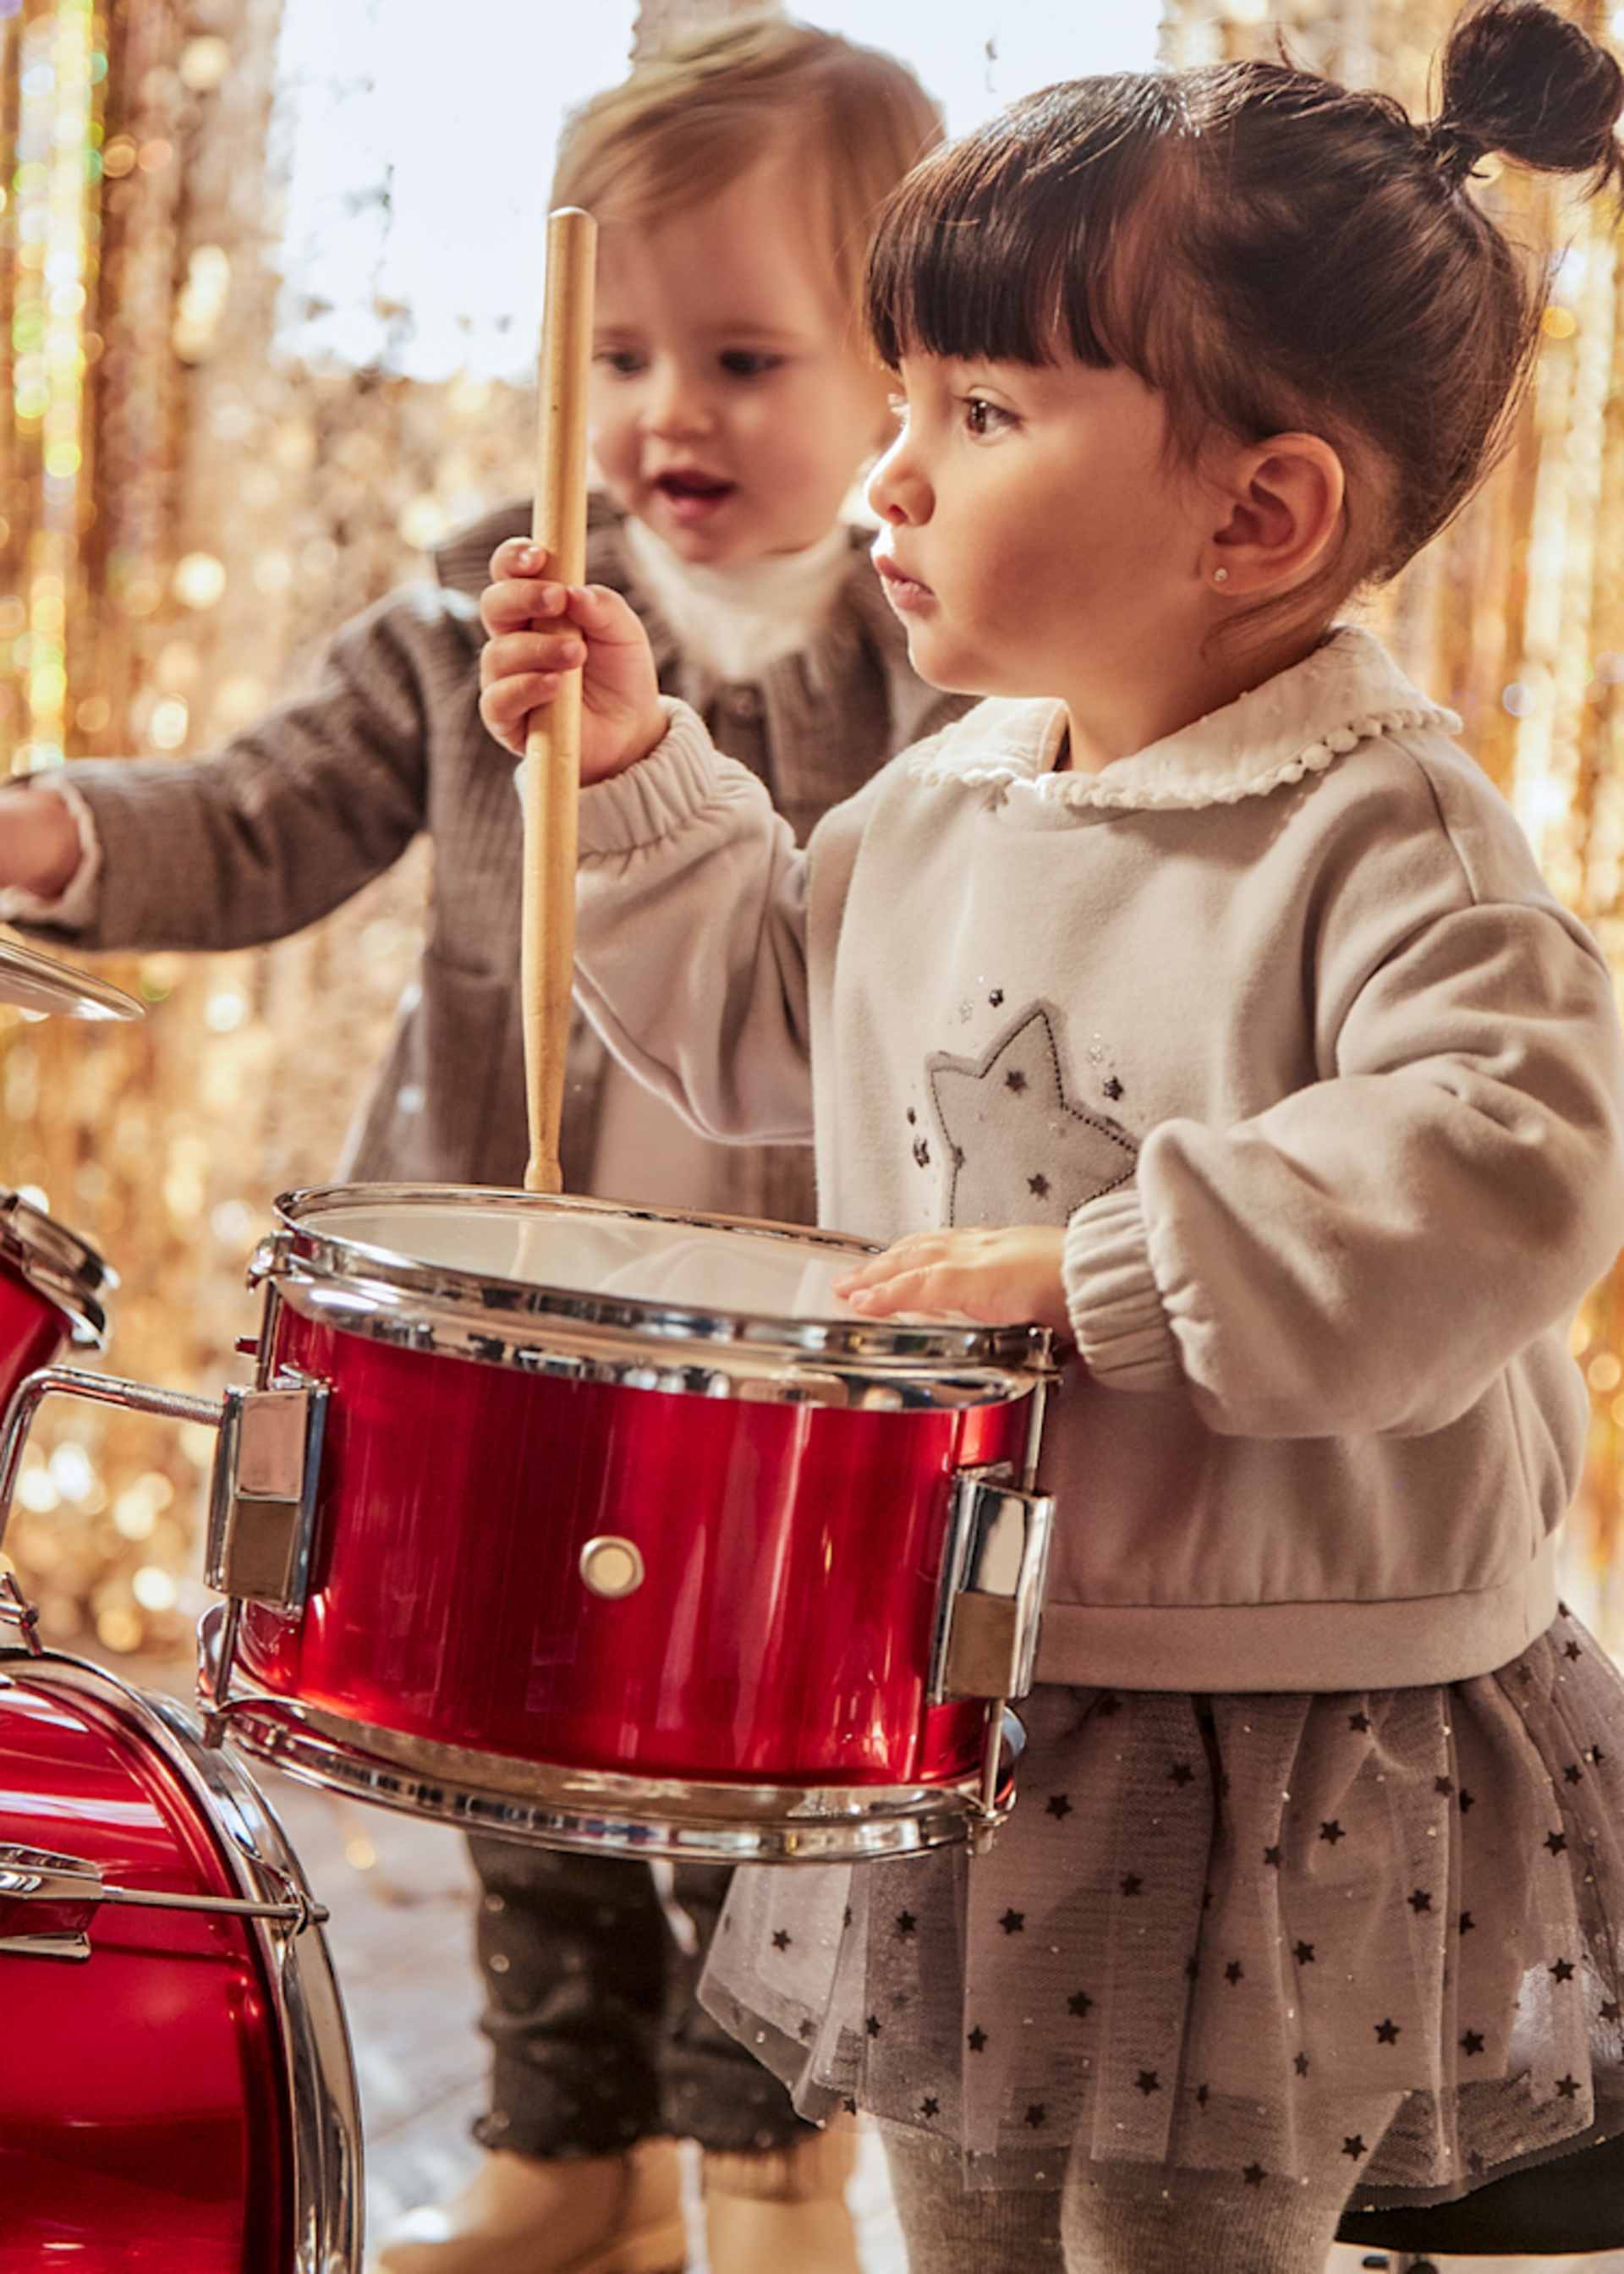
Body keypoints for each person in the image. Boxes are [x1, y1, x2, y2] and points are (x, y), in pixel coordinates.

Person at [475, 4, 1624, 2267]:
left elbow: (1505, 1158)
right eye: (903, 403)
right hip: (982, 1683)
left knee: (1191, 2235)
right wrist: (627, 766)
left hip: (1270, 1730)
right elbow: (796, 1035)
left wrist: (1098, 1278)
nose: (891, 477)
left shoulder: (1388, 839)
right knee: (967, 2212)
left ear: (1259, 511)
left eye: (980, 415)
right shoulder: (956, 794)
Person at [0, 21, 959, 2273]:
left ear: (905, 379)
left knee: (755, 1786)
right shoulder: (475, 612)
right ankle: (565, 2159)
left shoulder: (940, 656)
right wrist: (56, 830)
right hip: (516, 1302)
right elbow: (256, 818)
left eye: (744, 354)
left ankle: (770, 2179)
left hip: (788, 1324)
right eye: (615, 352)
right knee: (500, 1742)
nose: (665, 417)